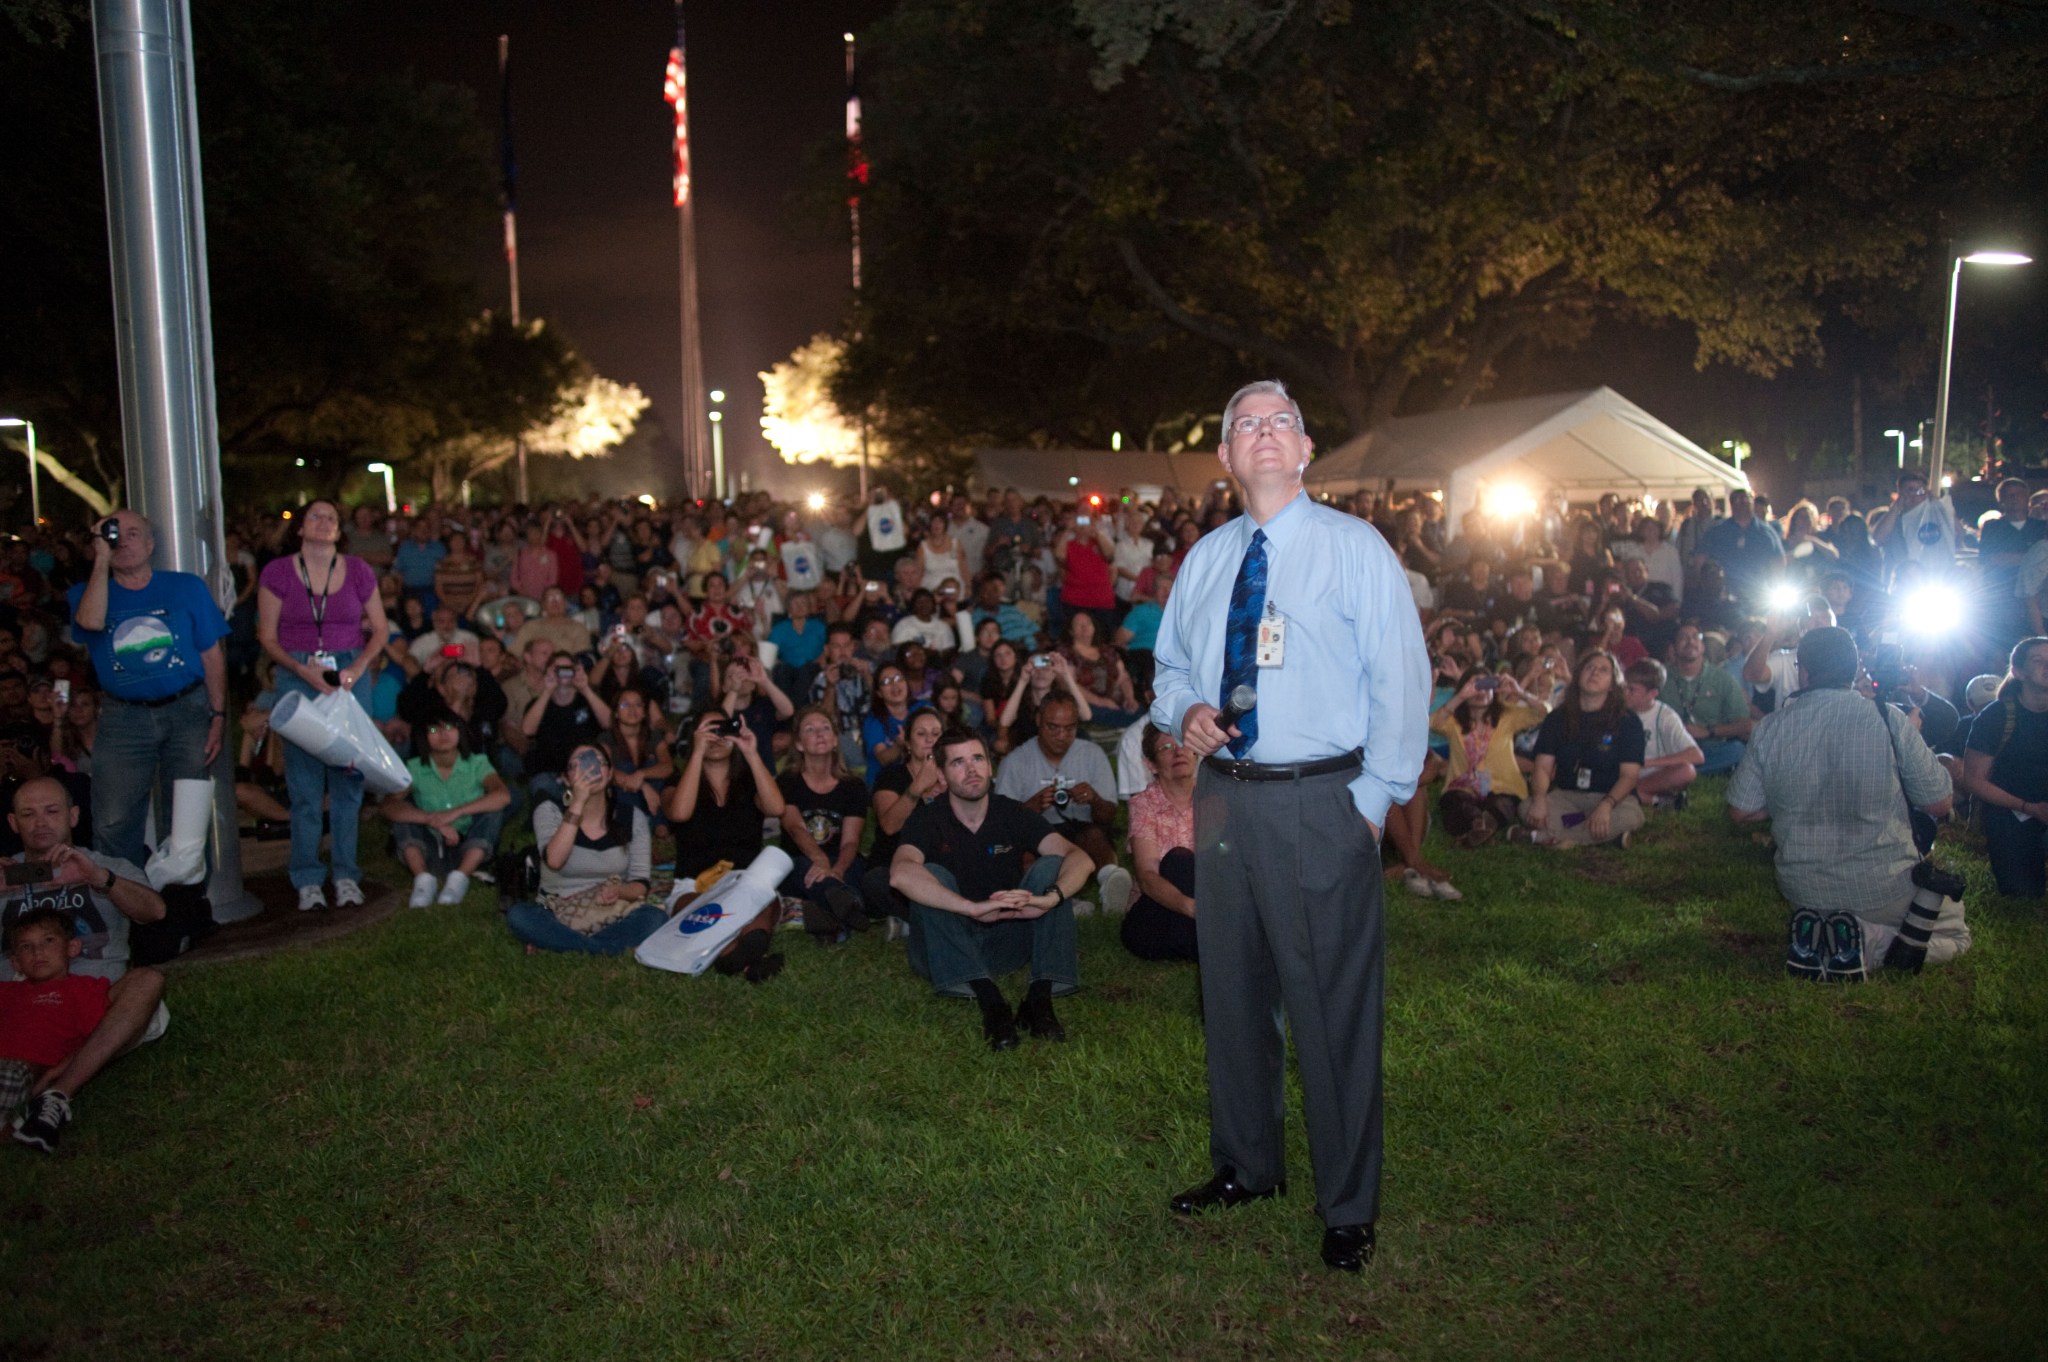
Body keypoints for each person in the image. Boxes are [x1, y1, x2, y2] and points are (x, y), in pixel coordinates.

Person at [1150, 379, 1429, 1274]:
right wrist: (1186, 708)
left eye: (1281, 423)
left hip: (1323, 802)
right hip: (1224, 798)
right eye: (1245, 426)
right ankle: (1246, 1165)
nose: (1264, 436)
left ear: (1306, 450)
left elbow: (1402, 681)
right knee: (1231, 996)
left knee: (1331, 1009)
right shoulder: (1203, 562)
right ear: (1227, 458)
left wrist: (1372, 802)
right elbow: (1166, 672)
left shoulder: (1355, 550)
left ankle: (1347, 1204)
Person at [1728, 627, 1961, 979]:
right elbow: (1940, 803)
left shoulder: (1769, 727)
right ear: (1854, 672)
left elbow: (1741, 810)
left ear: (1803, 672)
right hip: (1883, 888)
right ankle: (1867, 942)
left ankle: (1822, 937)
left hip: (1803, 890)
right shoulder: (1887, 718)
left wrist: (1789, 800)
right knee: (1956, 933)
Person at [885, 726, 1090, 1050]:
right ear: (940, 774)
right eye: (957, 762)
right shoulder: (928, 819)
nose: (971, 769)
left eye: (978, 758)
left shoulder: (1011, 812)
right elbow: (900, 874)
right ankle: (992, 1002)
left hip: (1006, 940)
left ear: (990, 766)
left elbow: (1080, 858)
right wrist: (970, 907)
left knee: (1053, 867)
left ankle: (1039, 1000)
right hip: (945, 945)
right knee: (929, 873)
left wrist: (1049, 899)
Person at [0, 778, 170, 1152]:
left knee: (147, 983)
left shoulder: (107, 866)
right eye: (28, 814)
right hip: (21, 1012)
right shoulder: (5, 874)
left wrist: (98, 878)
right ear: (13, 823)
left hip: (97, 1007)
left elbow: (156, 911)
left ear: (73, 816)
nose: (40, 822)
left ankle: (56, 1092)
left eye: (52, 811)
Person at [68, 509, 231, 876]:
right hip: (124, 716)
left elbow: (211, 655)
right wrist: (101, 560)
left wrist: (218, 715)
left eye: (133, 533)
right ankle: (129, 908)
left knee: (186, 820)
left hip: (187, 709)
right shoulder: (87, 592)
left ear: (151, 543)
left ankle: (184, 914)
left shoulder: (186, 587)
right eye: (113, 535)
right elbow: (91, 622)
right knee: (113, 821)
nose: (123, 541)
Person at [256, 500, 390, 911]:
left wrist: (359, 666)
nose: (324, 522)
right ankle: (307, 877)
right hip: (299, 673)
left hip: (348, 673)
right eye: (315, 515)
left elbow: (381, 629)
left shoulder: (359, 570)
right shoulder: (278, 573)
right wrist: (301, 668)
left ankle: (347, 874)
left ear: (339, 529)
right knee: (305, 784)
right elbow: (267, 635)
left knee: (348, 780)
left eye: (331, 517)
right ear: (300, 528)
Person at [505, 744, 662, 955]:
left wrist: (620, 891)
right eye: (578, 764)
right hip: (557, 911)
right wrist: (577, 803)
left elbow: (640, 883)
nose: (589, 768)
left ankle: (564, 946)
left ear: (610, 774)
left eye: (597, 761)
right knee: (519, 916)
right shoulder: (549, 809)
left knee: (655, 917)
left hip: (610, 911)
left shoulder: (633, 817)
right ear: (567, 778)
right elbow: (554, 860)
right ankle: (604, 948)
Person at [991, 693, 1131, 912]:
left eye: (1070, 728)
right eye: (1053, 727)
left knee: (1095, 835)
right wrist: (1032, 806)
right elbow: (1000, 823)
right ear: (1038, 720)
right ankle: (1065, 903)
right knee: (1024, 852)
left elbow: (1109, 816)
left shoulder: (1092, 754)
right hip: (1037, 836)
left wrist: (1094, 799)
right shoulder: (1015, 761)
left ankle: (1111, 880)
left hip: (1083, 832)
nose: (1061, 735)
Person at [380, 710, 512, 908]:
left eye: (450, 727)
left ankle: (460, 878)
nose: (443, 734)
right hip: (431, 845)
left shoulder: (477, 763)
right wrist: (431, 819)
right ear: (424, 736)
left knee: (493, 810)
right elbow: (388, 806)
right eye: (434, 729)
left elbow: (503, 795)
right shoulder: (414, 768)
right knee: (403, 815)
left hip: (469, 843)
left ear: (460, 732)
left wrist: (456, 812)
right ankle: (423, 880)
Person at [1520, 650, 1645, 848]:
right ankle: (1598, 836)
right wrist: (1540, 799)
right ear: (1578, 676)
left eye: (1603, 670)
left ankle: (1545, 837)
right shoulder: (1557, 718)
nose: (1594, 673)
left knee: (1631, 815)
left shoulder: (1628, 721)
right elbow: (1542, 767)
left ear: (1613, 684)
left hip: (1612, 799)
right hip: (1568, 797)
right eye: (1589, 668)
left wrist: (1606, 805)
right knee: (1528, 808)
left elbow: (1629, 776)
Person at [1961, 636, 2048, 897]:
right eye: (2038, 661)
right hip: (2011, 813)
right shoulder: (1997, 716)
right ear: (2019, 671)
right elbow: (1973, 780)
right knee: (2021, 893)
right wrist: (2028, 807)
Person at [776, 706, 870, 941]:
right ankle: (849, 905)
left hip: (840, 859)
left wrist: (836, 870)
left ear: (835, 740)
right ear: (799, 744)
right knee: (800, 868)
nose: (819, 733)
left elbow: (850, 840)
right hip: (802, 859)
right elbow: (796, 828)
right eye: (810, 729)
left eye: (825, 728)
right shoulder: (787, 781)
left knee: (856, 867)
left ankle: (829, 918)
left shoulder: (854, 786)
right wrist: (819, 860)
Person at [1431, 669, 1548, 849]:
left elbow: (1544, 712)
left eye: (1487, 685)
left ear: (1494, 691)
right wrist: (1460, 697)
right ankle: (1481, 826)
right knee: (1456, 803)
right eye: (1475, 685)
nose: (1481, 691)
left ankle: (1478, 829)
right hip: (1463, 786)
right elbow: (1432, 723)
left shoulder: (1507, 717)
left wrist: (1519, 692)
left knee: (1502, 805)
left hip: (1503, 786)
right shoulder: (1453, 722)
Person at [666, 710, 784, 882]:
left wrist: (751, 753)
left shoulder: (750, 782)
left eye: (724, 730)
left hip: (744, 883)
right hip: (694, 885)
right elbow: (679, 814)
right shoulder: (677, 783)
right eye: (709, 731)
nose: (716, 737)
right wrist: (698, 752)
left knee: (763, 903)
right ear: (695, 737)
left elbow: (777, 809)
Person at [860, 706, 946, 924]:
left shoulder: (953, 779)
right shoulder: (891, 776)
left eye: (936, 734)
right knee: (876, 882)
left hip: (938, 868)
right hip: (895, 868)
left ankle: (915, 921)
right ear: (907, 742)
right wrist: (918, 788)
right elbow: (889, 825)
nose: (930, 739)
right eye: (921, 733)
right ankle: (926, 919)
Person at [1121, 725, 1198, 962]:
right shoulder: (1144, 805)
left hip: (1205, 900)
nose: (1178, 752)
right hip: (1157, 909)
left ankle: (1195, 943)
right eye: (1166, 748)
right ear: (1151, 765)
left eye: (1183, 744)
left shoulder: (1214, 798)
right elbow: (1147, 876)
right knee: (1179, 860)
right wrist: (1191, 907)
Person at [1661, 623, 1753, 775]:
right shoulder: (1661, 677)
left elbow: (1745, 725)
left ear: (1703, 647)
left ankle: (1681, 771)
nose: (1690, 641)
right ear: (1673, 648)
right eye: (1683, 638)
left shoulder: (1722, 679)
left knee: (1737, 750)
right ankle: (1683, 769)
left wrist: (1708, 731)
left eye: (1696, 637)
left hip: (1710, 747)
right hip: (1670, 747)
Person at [1621, 659, 1703, 809]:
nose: (1625, 693)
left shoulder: (1665, 716)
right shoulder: (1617, 709)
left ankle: (1633, 793)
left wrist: (1647, 763)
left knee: (1687, 771)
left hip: (1651, 773)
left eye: (1632, 690)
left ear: (1652, 694)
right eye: (1624, 687)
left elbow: (1696, 756)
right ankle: (1659, 801)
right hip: (1621, 772)